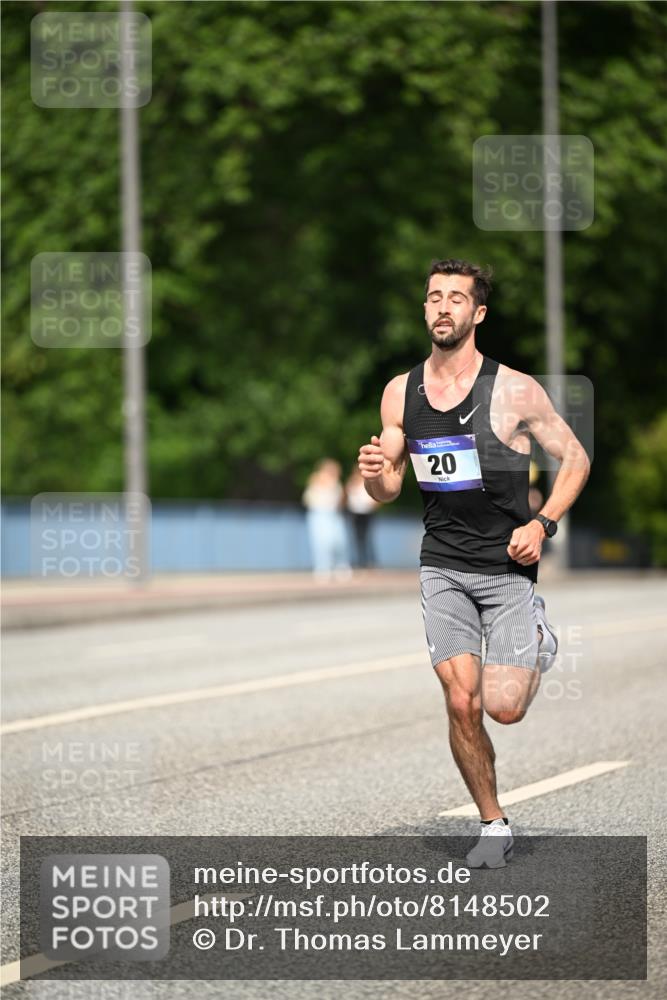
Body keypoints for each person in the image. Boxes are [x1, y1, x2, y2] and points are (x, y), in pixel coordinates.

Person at [357, 259, 590, 867]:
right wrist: (378, 477)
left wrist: (543, 525)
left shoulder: (514, 389)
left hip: (507, 565)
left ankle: (538, 635)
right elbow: (386, 490)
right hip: (442, 565)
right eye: (433, 297)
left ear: (477, 313)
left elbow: (576, 459)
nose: (442, 307)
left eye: (456, 299)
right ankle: (493, 823)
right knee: (460, 700)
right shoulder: (399, 392)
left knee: (502, 707)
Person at [302, 458, 351, 581]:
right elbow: (307, 499)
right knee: (321, 543)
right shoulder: (315, 480)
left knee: (339, 541)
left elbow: (341, 501)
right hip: (319, 515)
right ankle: (323, 568)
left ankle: (341, 567)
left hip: (334, 515)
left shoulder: (337, 483)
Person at [345, 466, 380, 569]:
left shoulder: (370, 482)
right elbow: (346, 497)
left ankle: (371, 561)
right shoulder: (351, 484)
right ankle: (360, 561)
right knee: (357, 538)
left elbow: (376, 498)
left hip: (367, 512)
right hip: (355, 512)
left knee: (368, 537)